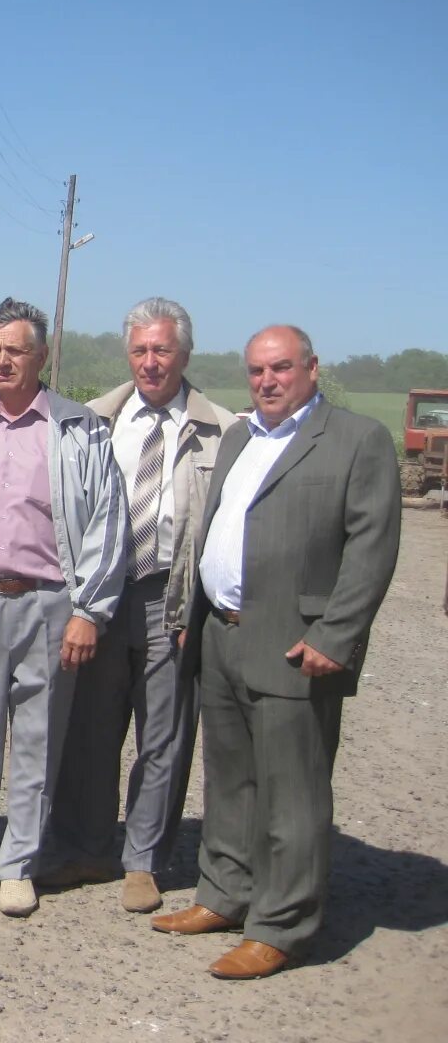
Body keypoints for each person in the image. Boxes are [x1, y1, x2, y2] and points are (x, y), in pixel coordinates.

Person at [153, 325, 401, 979]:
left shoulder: (356, 441)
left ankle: (284, 926)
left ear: (312, 369)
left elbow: (370, 549)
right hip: (223, 635)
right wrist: (197, 616)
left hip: (296, 644)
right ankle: (224, 894)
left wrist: (336, 637)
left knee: (293, 794)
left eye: (281, 368)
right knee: (230, 782)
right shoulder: (240, 436)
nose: (267, 380)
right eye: (257, 370)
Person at [0, 298, 127, 918]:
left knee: (37, 738)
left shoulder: (78, 429)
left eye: (16, 350)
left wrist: (89, 610)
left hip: (47, 603)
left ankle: (19, 865)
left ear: (41, 355)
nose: (3, 361)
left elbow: (106, 524)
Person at [43, 298, 236, 913]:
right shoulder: (94, 421)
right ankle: (86, 845)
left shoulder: (222, 430)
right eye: (140, 351)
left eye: (162, 350)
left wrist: (201, 610)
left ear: (184, 354)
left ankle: (145, 860)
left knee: (165, 734)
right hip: (102, 596)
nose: (150, 363)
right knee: (91, 731)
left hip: (171, 602)